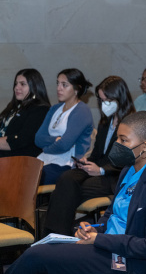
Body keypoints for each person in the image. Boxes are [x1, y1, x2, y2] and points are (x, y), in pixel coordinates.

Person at [0, 112, 146, 274]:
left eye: (124, 140)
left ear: (145, 146)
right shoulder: (128, 170)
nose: (117, 144)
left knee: (35, 255)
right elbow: (112, 214)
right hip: (106, 248)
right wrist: (93, 229)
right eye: (117, 138)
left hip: (129, 265)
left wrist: (99, 239)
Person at [43, 76, 136, 236]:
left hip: (115, 175)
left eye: (107, 100)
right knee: (66, 178)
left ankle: (57, 235)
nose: (103, 104)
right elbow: (97, 154)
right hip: (97, 169)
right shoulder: (106, 122)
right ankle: (56, 234)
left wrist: (101, 170)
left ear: (119, 98)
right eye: (101, 100)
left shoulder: (131, 123)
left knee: (70, 189)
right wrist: (86, 162)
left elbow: (129, 159)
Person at [35, 68, 94, 185]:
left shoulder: (81, 111)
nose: (58, 88)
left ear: (77, 89)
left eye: (64, 85)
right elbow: (38, 138)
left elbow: (64, 145)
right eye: (58, 84)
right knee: (16, 173)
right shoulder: (54, 108)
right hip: (45, 159)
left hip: (66, 163)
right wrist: (54, 140)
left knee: (29, 179)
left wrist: (46, 148)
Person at [0, 69, 50, 158]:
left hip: (19, 161)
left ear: (34, 87)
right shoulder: (12, 107)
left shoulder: (41, 109)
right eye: (16, 83)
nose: (16, 87)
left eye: (22, 84)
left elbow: (22, 140)